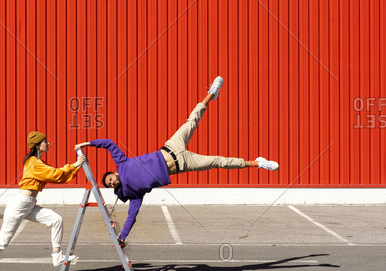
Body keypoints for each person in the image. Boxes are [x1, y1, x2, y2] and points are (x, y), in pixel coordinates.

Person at [75, 76, 279, 248]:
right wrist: (122, 238)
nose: (111, 182)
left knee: (192, 120)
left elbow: (109, 144)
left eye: (110, 178)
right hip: (182, 163)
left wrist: (87, 143)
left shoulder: (121, 163)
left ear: (115, 173)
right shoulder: (132, 194)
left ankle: (211, 94)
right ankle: (257, 163)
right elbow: (131, 216)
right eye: (110, 184)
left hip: (171, 147)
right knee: (218, 161)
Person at [0, 131, 87, 271]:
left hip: (29, 204)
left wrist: (76, 167)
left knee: (56, 220)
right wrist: (75, 164)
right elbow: (55, 174)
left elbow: (59, 178)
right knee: (3, 240)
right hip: (20, 204)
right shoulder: (34, 163)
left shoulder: (38, 162)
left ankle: (56, 255)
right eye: (45, 141)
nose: (48, 143)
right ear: (37, 145)